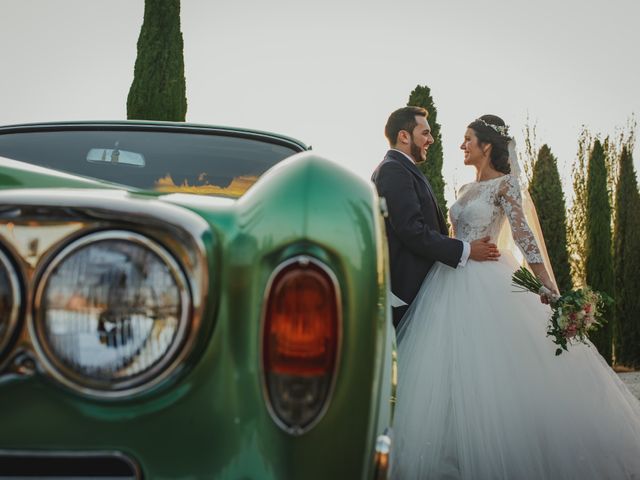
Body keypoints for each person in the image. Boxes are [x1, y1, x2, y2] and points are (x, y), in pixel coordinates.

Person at [392, 114, 640, 479]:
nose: (462, 145)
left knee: (490, 367)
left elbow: (526, 239)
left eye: (467, 139)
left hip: (488, 279)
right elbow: (448, 234)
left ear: (486, 146)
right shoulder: (463, 191)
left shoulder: (506, 187)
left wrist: (549, 289)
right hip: (448, 279)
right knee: (447, 368)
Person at [371, 107, 500, 327]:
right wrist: (467, 249)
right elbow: (411, 230)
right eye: (425, 133)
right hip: (405, 294)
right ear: (404, 136)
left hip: (426, 291)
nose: (431, 139)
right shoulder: (394, 170)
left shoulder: (402, 168)